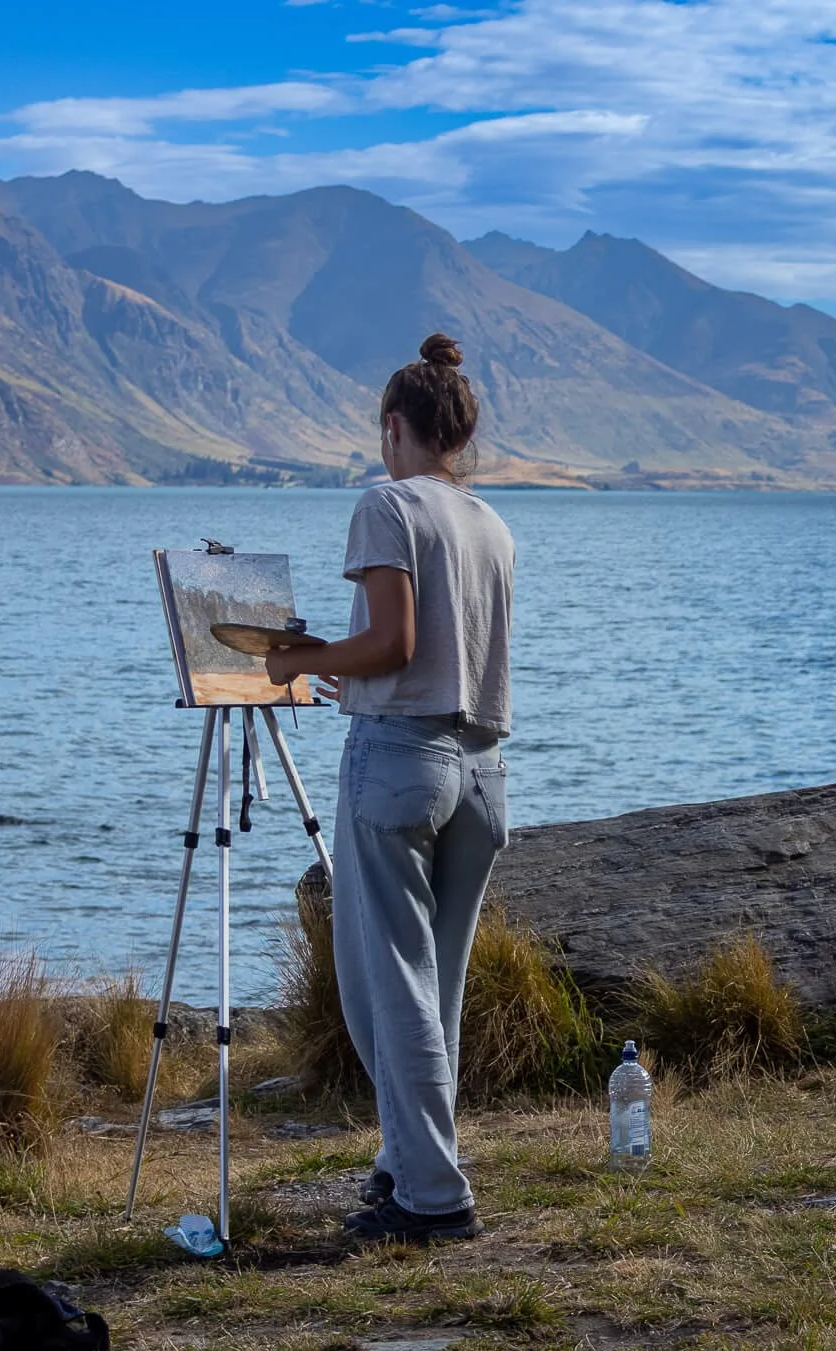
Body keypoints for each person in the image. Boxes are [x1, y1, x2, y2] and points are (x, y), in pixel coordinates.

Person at [265, 332, 514, 1243]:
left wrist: (303, 660)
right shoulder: (491, 521)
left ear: (392, 427)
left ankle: (434, 1199)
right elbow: (437, 655)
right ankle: (402, 1166)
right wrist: (353, 671)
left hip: (400, 766)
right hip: (483, 773)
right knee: (434, 987)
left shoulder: (386, 505)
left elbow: (396, 643)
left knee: (387, 992)